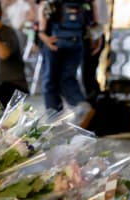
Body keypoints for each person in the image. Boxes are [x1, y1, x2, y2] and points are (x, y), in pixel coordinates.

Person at [38, 0, 95, 128]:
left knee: (49, 81)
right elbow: (91, 23)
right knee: (67, 78)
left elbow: (42, 27)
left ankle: (54, 119)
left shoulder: (51, 3)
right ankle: (81, 105)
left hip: (55, 43)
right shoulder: (82, 4)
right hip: (76, 43)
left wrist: (44, 37)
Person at [81, 0, 107, 103]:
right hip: (89, 35)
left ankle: (94, 102)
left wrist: (96, 37)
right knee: (88, 73)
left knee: (88, 72)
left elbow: (98, 19)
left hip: (92, 36)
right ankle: (94, 99)